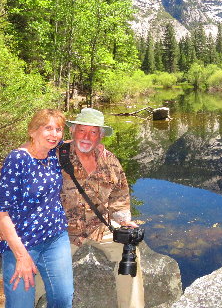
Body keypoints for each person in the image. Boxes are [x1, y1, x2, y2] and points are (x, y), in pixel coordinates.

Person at [60, 108, 144, 308]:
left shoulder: (111, 161)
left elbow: (119, 196)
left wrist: (124, 221)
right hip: (62, 232)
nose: (87, 137)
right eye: (82, 130)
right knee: (39, 270)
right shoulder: (55, 155)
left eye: (93, 132)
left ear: (101, 135)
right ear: (72, 131)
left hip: (100, 228)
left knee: (131, 255)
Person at [0, 109, 73, 308]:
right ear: (33, 131)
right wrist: (21, 256)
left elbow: (77, 144)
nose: (54, 134)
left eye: (58, 129)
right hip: (22, 242)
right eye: (48, 128)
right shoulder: (17, 160)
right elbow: (0, 213)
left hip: (55, 237)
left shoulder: (53, 151)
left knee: (63, 299)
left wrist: (98, 146)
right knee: (20, 305)